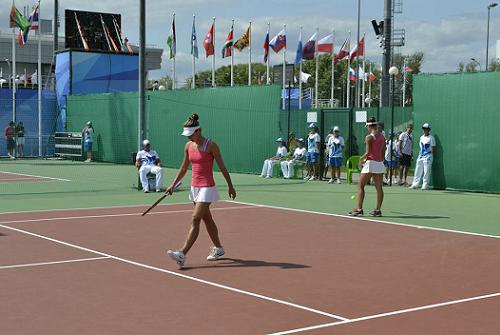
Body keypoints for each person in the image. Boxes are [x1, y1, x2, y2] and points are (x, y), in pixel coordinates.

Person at [166, 113, 236, 267]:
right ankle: (218, 248)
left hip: (207, 187)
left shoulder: (211, 145)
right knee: (206, 218)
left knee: (195, 218)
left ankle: (182, 254)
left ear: (199, 131)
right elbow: (184, 167)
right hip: (194, 187)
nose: (188, 138)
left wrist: (230, 185)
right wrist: (173, 184)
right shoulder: (188, 146)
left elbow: (222, 166)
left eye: (190, 134)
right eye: (187, 135)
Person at [350, 117, 386, 217]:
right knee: (379, 188)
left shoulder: (369, 137)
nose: (367, 128)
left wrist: (360, 160)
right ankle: (378, 210)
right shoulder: (383, 137)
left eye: (367, 126)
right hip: (379, 163)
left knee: (360, 185)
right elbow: (383, 151)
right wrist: (381, 160)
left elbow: (368, 152)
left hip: (370, 163)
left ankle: (359, 209)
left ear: (370, 126)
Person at [410, 123, 436, 190]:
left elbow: (433, 148)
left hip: (428, 157)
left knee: (426, 171)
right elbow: (421, 147)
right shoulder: (421, 137)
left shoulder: (431, 138)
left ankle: (425, 185)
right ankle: (415, 184)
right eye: (424, 128)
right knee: (418, 170)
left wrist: (431, 157)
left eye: (426, 129)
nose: (425, 130)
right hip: (421, 156)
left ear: (429, 130)